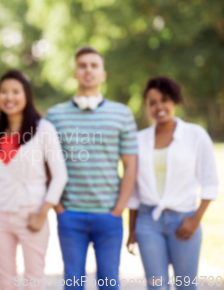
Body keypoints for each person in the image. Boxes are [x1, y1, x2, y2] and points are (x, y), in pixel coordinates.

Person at [46, 46, 138, 290]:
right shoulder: (55, 115)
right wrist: (59, 208)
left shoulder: (122, 114)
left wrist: (119, 209)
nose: (88, 70)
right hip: (70, 215)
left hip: (109, 215)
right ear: (75, 72)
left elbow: (131, 166)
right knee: (73, 284)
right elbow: (46, 165)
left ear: (102, 74)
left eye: (94, 65)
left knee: (109, 284)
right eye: (83, 65)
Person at [126, 76, 219, 290]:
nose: (159, 106)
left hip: (183, 220)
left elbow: (210, 181)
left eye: (164, 100)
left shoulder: (195, 135)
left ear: (174, 101)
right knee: (156, 286)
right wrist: (132, 230)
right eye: (152, 102)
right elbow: (134, 191)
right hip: (148, 222)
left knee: (185, 286)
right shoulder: (139, 140)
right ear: (147, 107)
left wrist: (195, 219)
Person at [0, 69, 68, 290]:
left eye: (15, 91)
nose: (9, 97)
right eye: (3, 91)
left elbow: (60, 175)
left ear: (26, 95)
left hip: (32, 213)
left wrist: (43, 213)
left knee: (34, 279)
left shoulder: (44, 129)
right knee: (6, 279)